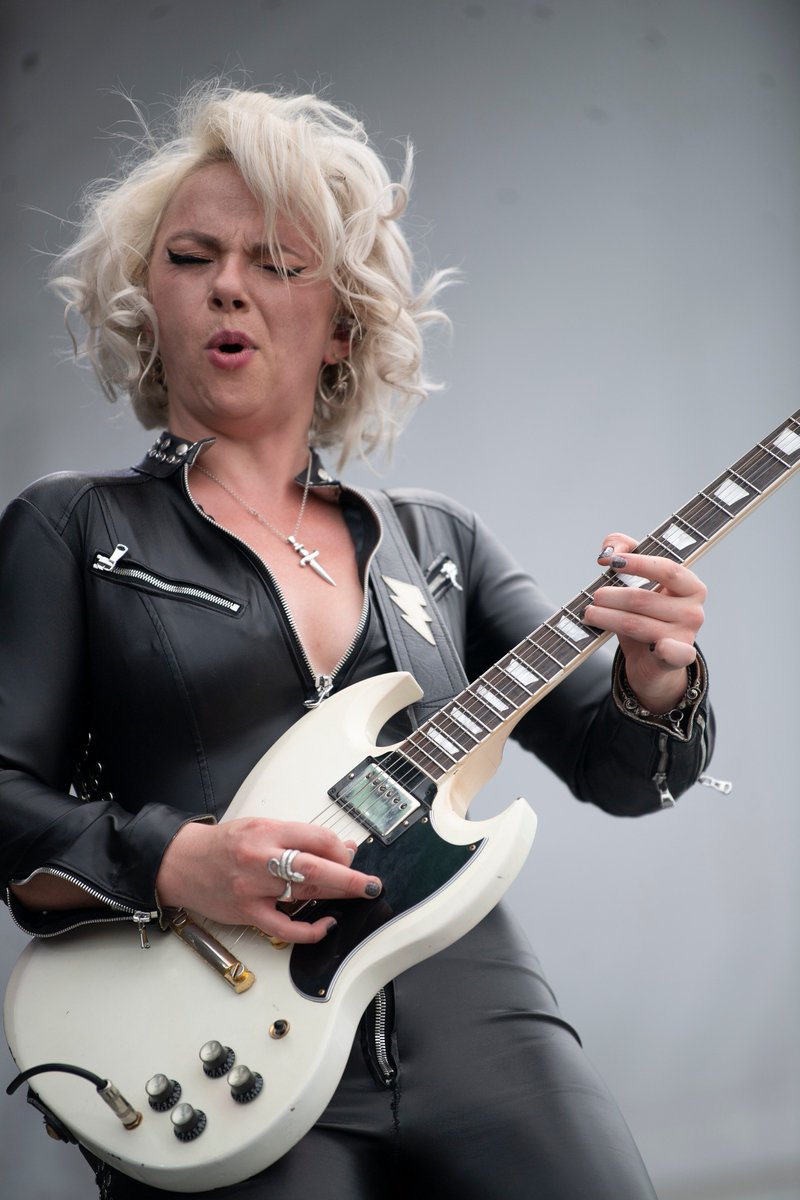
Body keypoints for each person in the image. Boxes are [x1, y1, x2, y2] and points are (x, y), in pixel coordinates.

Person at [0, 86, 711, 1199]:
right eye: (193, 255)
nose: (228, 283)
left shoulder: (437, 544)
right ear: (149, 292)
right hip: (216, 1042)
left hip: (475, 1013)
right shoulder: (71, 526)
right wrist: (183, 861)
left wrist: (654, 677)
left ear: (342, 320)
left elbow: (624, 774)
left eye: (277, 262)